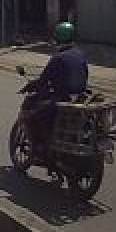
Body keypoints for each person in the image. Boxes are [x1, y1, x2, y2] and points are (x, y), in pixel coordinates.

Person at [19, 21, 89, 151]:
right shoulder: (80, 54)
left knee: (31, 116)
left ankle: (39, 146)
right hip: (80, 97)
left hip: (62, 98)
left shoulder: (58, 58)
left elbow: (43, 80)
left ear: (58, 38)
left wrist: (30, 86)